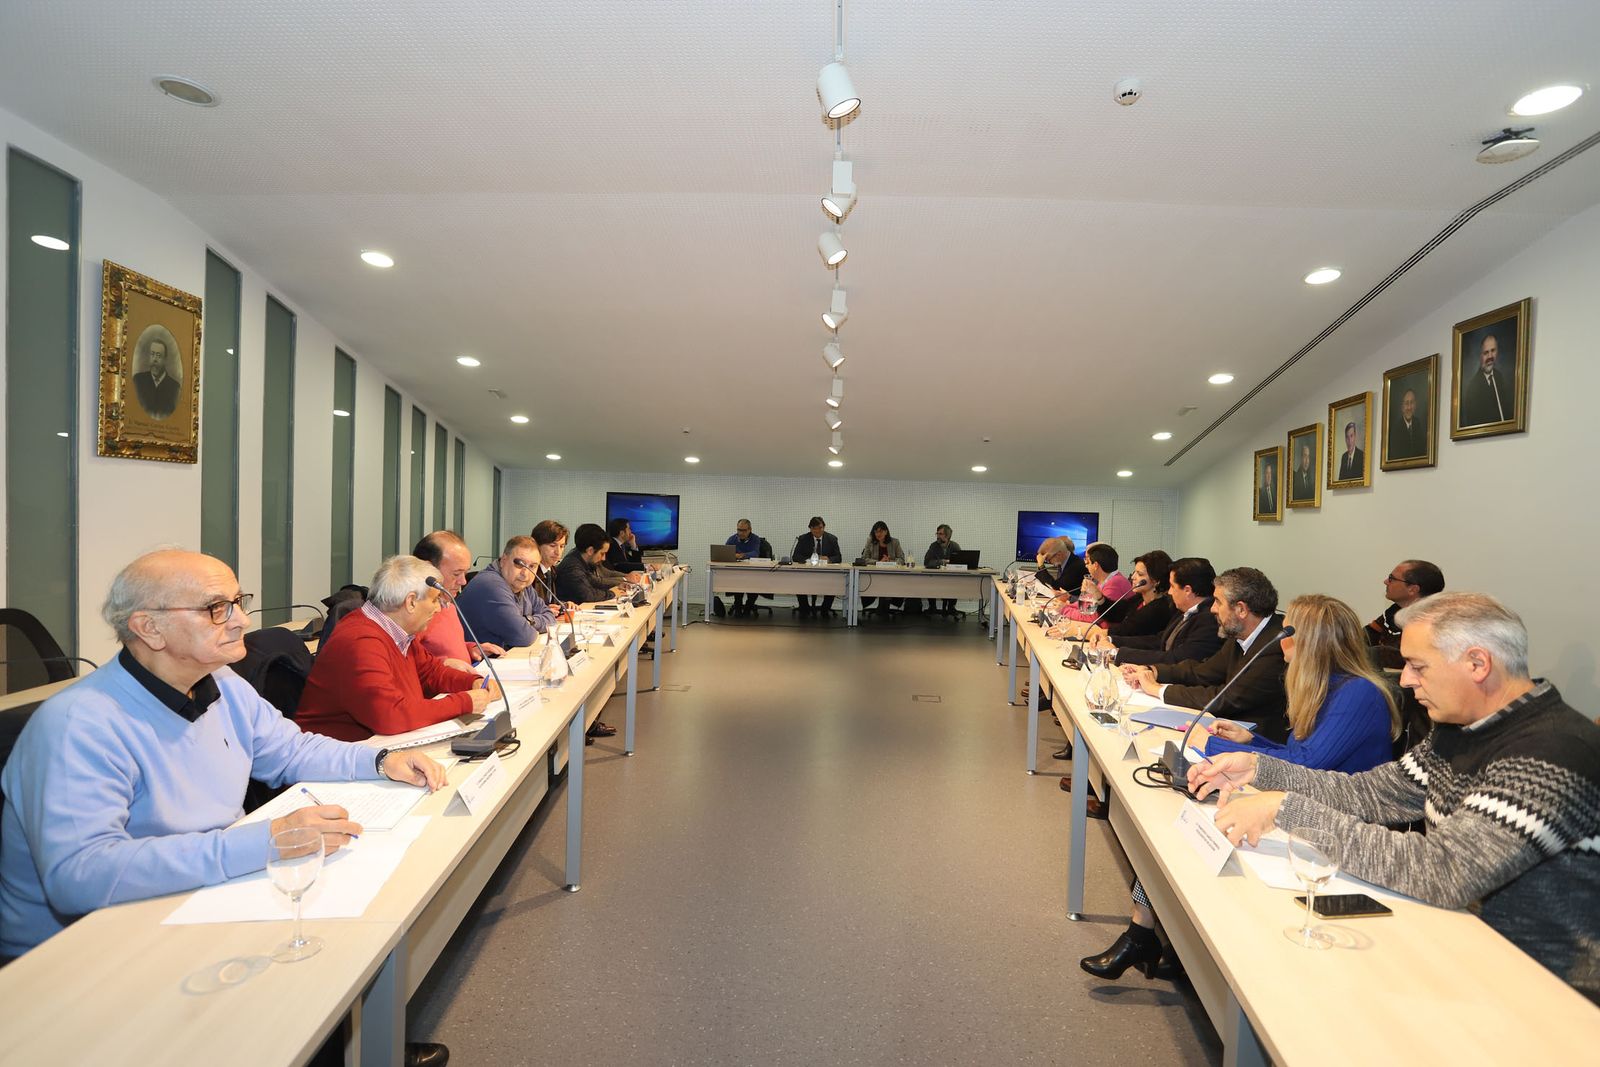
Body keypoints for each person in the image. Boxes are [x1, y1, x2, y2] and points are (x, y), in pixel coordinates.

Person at [0, 550, 448, 949]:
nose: (242, 621)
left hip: (194, 896)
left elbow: (291, 751)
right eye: (217, 609)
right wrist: (264, 842)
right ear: (149, 628)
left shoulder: (223, 684)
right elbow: (82, 876)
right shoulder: (78, 725)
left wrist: (378, 759)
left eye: (238, 602)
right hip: (84, 946)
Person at [1192, 593, 1600, 1006]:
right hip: (1465, 948)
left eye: (1418, 666)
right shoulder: (1462, 728)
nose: (1404, 679)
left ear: (1478, 664)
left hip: (1548, 992)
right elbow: (1371, 793)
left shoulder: (1551, 750)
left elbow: (1445, 871)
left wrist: (1284, 807)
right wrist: (1260, 770)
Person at [1081, 594, 1398, 983]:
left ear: (1307, 641)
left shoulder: (1357, 693)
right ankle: (1149, 933)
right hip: (1299, 802)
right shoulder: (1328, 686)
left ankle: (1154, 939)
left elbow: (1308, 768)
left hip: (1333, 830)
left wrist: (1216, 746)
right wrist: (1249, 743)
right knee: (1184, 823)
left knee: (1203, 829)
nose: (1281, 641)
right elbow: (1298, 756)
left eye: (1287, 633)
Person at [297, 555, 501, 742]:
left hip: (374, 747)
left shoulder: (397, 631)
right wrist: (464, 702)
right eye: (434, 600)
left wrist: (472, 682)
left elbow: (430, 673)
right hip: (333, 764)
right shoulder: (360, 641)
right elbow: (390, 715)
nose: (438, 609)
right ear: (411, 602)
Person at [1121, 566, 1289, 741]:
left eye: (1218, 602)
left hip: (1261, 746)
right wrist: (1153, 671)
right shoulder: (1241, 634)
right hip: (1228, 732)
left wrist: (1157, 689)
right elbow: (1202, 671)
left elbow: (1225, 698)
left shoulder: (1275, 646)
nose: (1212, 609)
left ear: (1241, 610)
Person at [1088, 556, 1224, 666]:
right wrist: (1113, 640)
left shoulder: (1210, 619)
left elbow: (1176, 658)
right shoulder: (1185, 609)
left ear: (1187, 590)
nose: (1169, 592)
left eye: (1172, 586)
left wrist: (1117, 653)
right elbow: (1159, 640)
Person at [414, 530, 505, 664]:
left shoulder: (447, 604)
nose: (463, 582)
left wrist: (469, 648)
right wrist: (445, 664)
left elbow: (442, 646)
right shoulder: (414, 613)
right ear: (428, 568)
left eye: (465, 573)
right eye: (456, 574)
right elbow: (412, 664)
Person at [455, 535, 560, 649]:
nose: (525, 573)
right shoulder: (491, 585)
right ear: (503, 560)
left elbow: (550, 618)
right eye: (519, 564)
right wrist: (528, 625)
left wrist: (529, 621)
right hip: (477, 663)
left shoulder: (522, 583)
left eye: (532, 566)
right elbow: (524, 636)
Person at [1054, 550, 1175, 640]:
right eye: (1134, 572)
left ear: (1156, 580)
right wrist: (1098, 595)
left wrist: (1085, 631)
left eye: (1140, 574)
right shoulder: (1139, 598)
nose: (1133, 577)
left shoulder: (1159, 608)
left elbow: (1126, 629)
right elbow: (1116, 612)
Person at [1367, 559, 1445, 667]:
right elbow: (1366, 636)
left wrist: (1374, 654)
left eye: (1391, 579)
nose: (1385, 581)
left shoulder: (1433, 623)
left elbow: (1408, 659)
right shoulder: (1394, 611)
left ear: (1412, 589)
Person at [555, 522, 634, 605]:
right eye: (602, 554)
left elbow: (596, 582)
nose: (604, 558)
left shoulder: (583, 558)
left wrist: (619, 585)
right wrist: (613, 593)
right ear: (590, 551)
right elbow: (588, 595)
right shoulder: (572, 567)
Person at [1060, 543, 1133, 626]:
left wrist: (1064, 610)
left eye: (1088, 563)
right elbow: (1087, 606)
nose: (1086, 566)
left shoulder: (1115, 583)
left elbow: (1093, 617)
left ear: (1095, 565)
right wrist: (1066, 606)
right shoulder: (1104, 580)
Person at [791, 516, 842, 617]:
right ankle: (804, 608)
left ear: (824, 527)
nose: (818, 531)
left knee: (832, 584)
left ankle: (825, 609)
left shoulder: (832, 539)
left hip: (826, 573)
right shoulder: (803, 539)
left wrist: (829, 559)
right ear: (810, 528)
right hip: (807, 573)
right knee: (799, 582)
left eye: (820, 527)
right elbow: (795, 556)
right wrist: (810, 559)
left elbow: (838, 557)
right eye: (814, 528)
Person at [1459, 333, 1514, 427]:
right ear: (1480, 356)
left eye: (1493, 351)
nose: (1490, 356)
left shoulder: (1499, 377)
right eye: (1486, 353)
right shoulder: (1472, 387)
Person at [858, 520, 905, 614]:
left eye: (880, 531)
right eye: (876, 532)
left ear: (886, 532)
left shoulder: (895, 542)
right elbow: (864, 559)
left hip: (891, 576)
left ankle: (884, 608)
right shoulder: (870, 542)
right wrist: (879, 562)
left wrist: (890, 561)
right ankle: (883, 608)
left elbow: (901, 559)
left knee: (888, 585)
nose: (878, 534)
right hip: (874, 576)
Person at [724, 519, 767, 615]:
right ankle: (738, 605)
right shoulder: (732, 539)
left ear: (750, 529)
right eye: (739, 530)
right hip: (737, 571)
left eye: (744, 530)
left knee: (754, 584)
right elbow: (725, 552)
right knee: (737, 583)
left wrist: (742, 555)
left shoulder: (755, 539)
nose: (741, 533)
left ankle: (749, 605)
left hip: (753, 571)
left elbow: (755, 553)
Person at [132, 338, 179, 419]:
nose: (154, 359)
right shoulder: (138, 380)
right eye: (152, 354)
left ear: (165, 359)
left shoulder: (175, 388)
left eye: (158, 355)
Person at [923, 524, 962, 614]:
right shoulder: (933, 546)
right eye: (937, 533)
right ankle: (932, 607)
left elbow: (961, 563)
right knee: (929, 582)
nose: (938, 536)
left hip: (951, 578)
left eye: (940, 534)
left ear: (947, 536)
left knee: (956, 583)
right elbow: (927, 562)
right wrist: (943, 561)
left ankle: (951, 607)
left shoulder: (955, 546)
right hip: (936, 577)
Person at [1387, 387, 1427, 460]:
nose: (1409, 407)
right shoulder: (1395, 429)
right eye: (1406, 403)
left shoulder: (1420, 425)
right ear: (1402, 407)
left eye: (1411, 403)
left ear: (1415, 405)